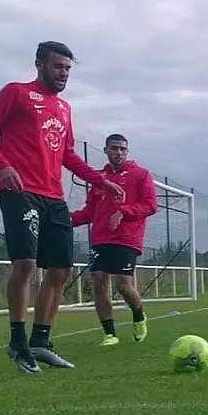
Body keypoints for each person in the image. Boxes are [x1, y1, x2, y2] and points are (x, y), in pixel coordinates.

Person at [0, 41, 126, 373]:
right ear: (40, 64)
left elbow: (67, 154)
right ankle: (18, 342)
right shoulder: (16, 93)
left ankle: (41, 342)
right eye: (58, 66)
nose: (64, 73)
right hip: (20, 191)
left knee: (60, 270)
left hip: (54, 197)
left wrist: (101, 182)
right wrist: (3, 167)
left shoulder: (65, 108)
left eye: (68, 68)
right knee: (26, 264)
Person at [69, 133, 158, 345]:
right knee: (99, 280)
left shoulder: (141, 175)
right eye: (114, 148)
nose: (119, 152)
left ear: (127, 151)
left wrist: (123, 212)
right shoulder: (99, 179)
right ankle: (110, 334)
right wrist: (66, 220)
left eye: (122, 149)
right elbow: (90, 211)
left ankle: (139, 316)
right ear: (106, 150)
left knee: (122, 284)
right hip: (100, 238)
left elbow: (150, 205)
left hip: (127, 238)